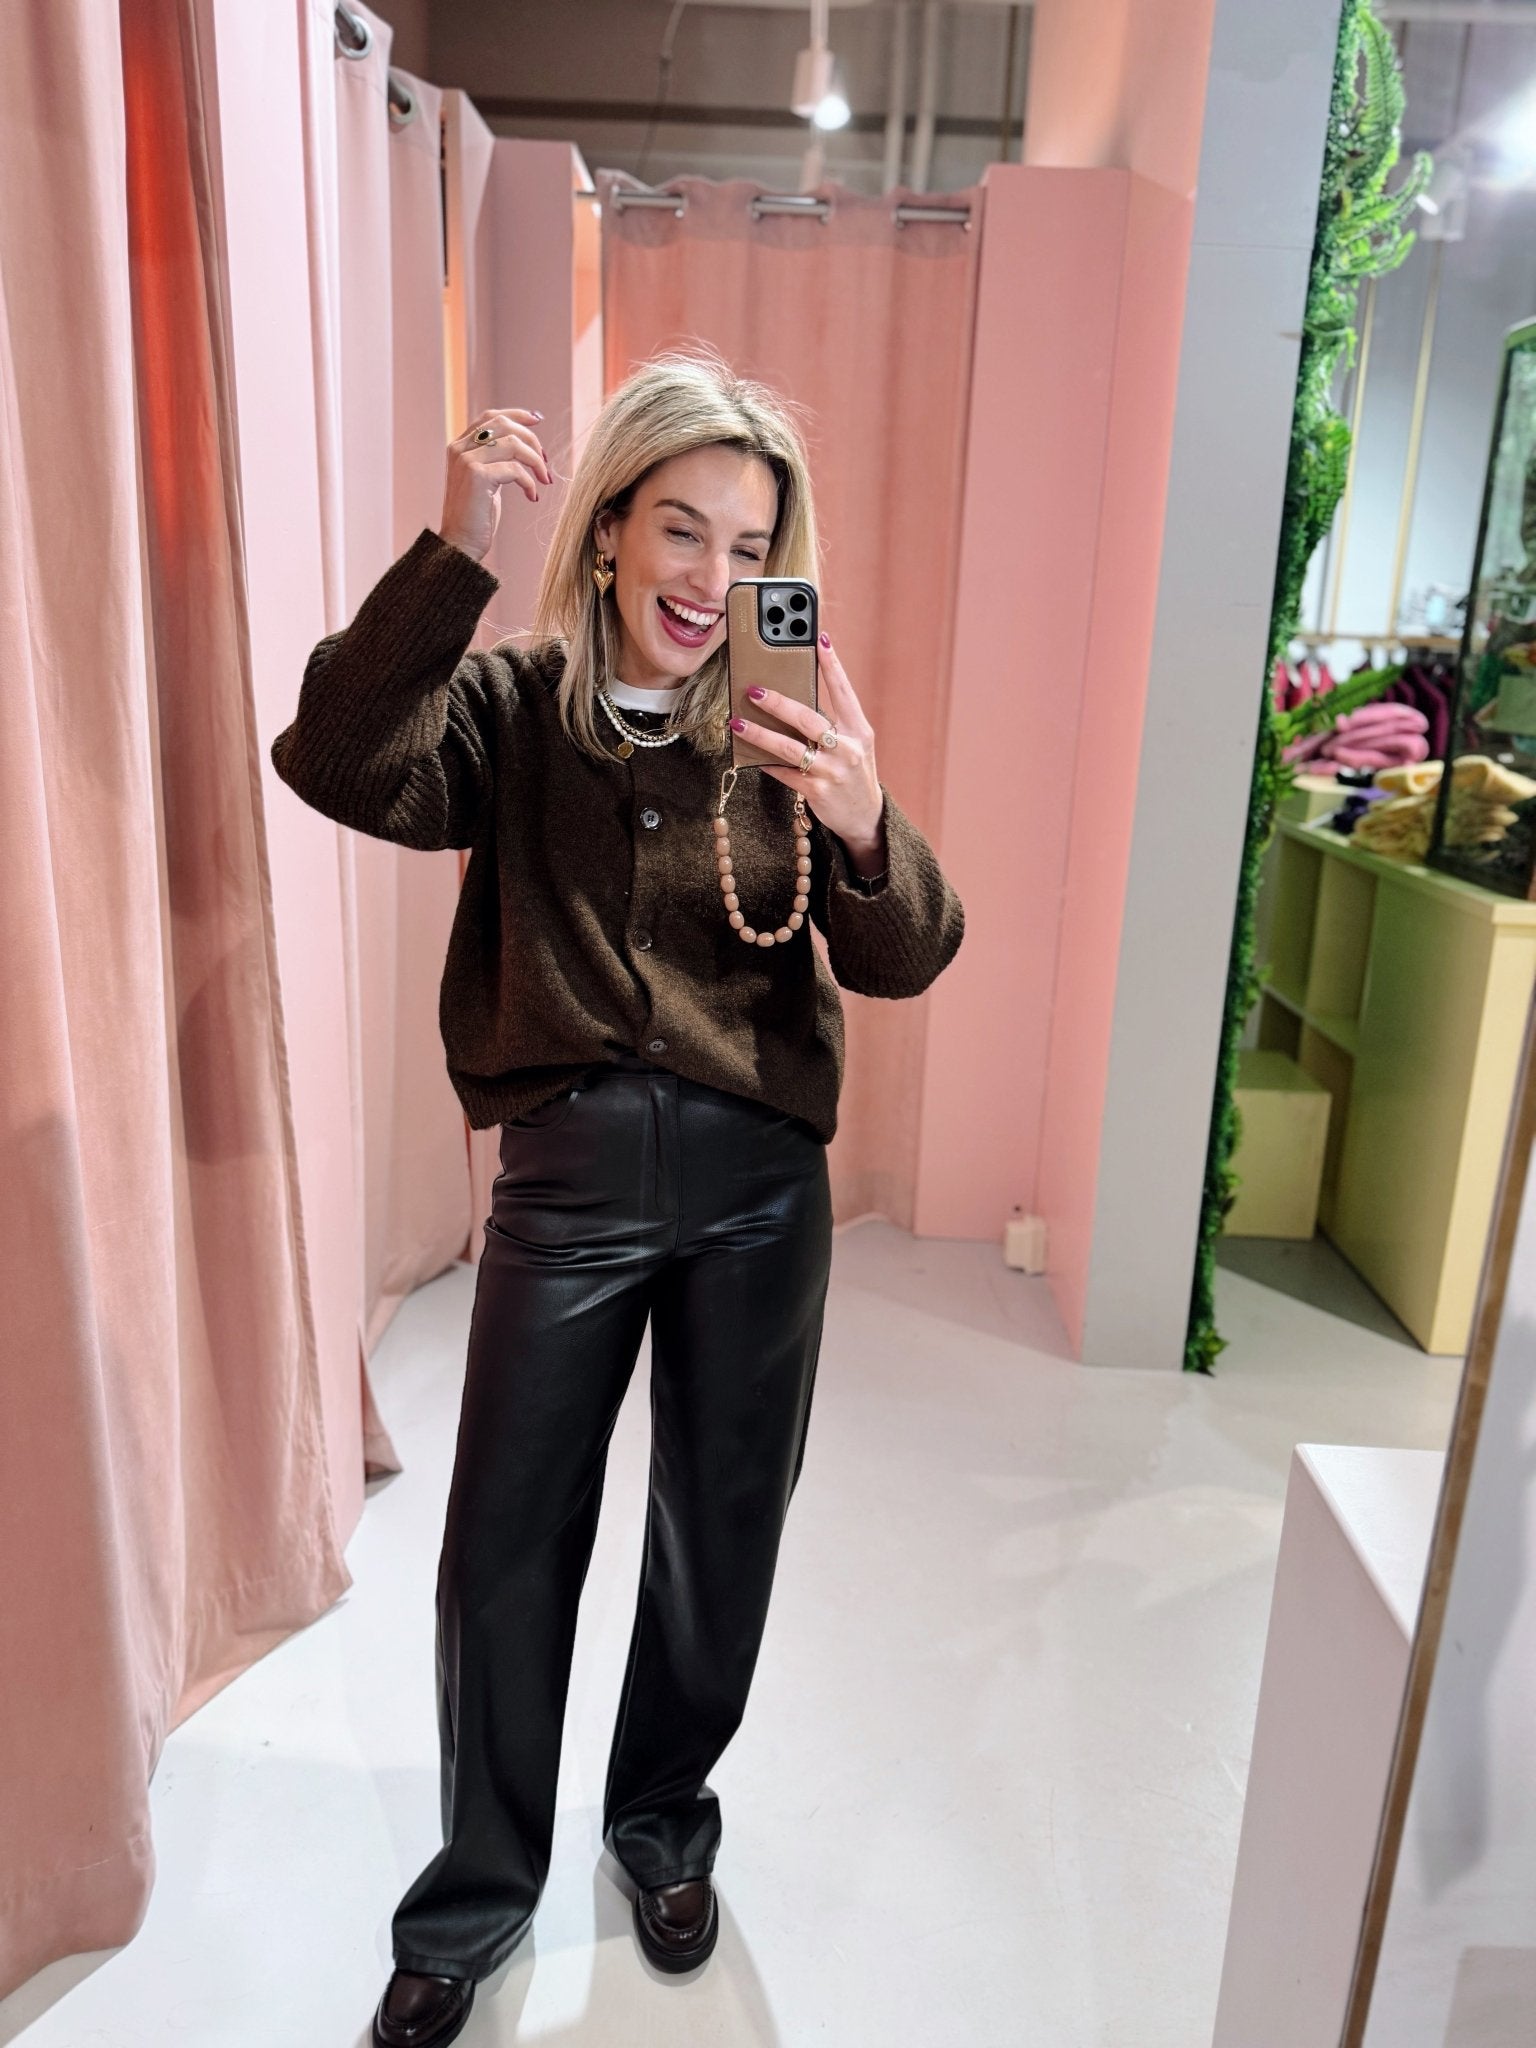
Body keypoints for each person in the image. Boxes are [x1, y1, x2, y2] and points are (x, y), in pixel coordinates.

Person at [270, 347, 965, 2048]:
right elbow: (335, 756)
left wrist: (864, 823)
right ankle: (475, 1897)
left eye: (751, 545)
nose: (712, 576)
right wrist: (453, 547)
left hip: (759, 1192)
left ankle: (661, 1823)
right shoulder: (513, 711)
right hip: (569, 1179)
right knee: (507, 1542)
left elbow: (907, 956)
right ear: (606, 532)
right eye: (681, 528)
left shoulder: (784, 729)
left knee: (720, 1535)